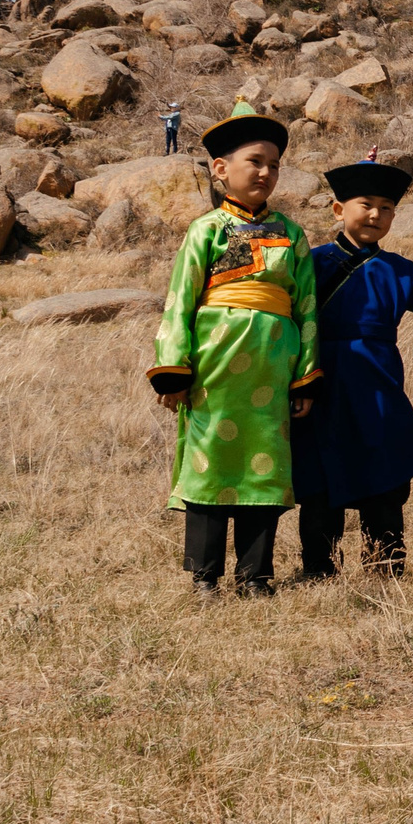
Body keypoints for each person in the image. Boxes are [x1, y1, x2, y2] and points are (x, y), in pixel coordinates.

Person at [147, 101, 323, 598]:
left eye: (274, 165)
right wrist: (173, 368)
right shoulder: (204, 230)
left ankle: (256, 574)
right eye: (255, 162)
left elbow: (306, 309)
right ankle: (205, 576)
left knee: (263, 469)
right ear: (221, 169)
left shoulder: (292, 234)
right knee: (209, 465)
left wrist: (306, 374)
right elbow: (180, 300)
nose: (266, 173)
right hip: (213, 370)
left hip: (272, 370)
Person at [292, 152, 413, 582]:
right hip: (321, 382)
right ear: (338, 209)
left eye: (386, 208)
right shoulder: (309, 264)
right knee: (319, 483)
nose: (375, 215)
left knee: (384, 478)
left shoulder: (395, 268)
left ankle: (385, 567)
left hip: (378, 387)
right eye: (365, 204)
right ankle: (319, 570)